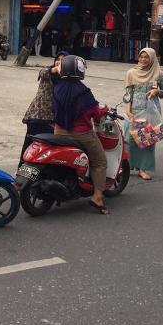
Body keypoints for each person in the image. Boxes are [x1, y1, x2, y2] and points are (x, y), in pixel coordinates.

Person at [52, 55, 110, 215]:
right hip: (81, 134)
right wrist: (103, 111)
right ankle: (98, 196)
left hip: (59, 132)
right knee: (99, 161)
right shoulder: (84, 92)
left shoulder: (57, 88)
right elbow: (95, 114)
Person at [123, 47, 163, 181]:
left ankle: (142, 169)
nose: (143, 59)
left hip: (150, 111)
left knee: (146, 140)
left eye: (146, 57)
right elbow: (127, 93)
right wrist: (127, 110)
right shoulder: (131, 72)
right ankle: (125, 166)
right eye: (141, 56)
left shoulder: (159, 74)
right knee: (129, 139)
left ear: (152, 58)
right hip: (134, 111)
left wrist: (157, 92)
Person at [19, 51, 68, 163]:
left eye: (63, 60)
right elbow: (43, 72)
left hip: (51, 119)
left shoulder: (66, 79)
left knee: (45, 148)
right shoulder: (48, 71)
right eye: (58, 59)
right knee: (29, 143)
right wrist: (55, 69)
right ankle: (21, 170)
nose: (59, 62)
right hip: (37, 115)